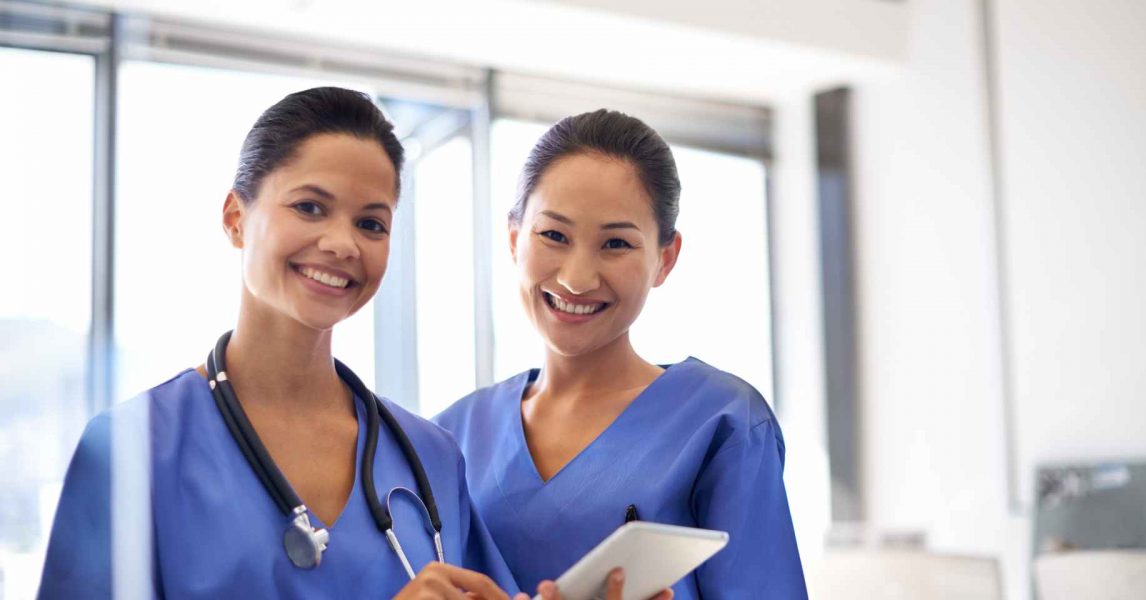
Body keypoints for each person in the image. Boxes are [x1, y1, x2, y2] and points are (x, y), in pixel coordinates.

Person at [38, 87, 517, 599]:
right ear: (234, 217)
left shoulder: (431, 455)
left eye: (371, 223)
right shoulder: (130, 449)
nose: (341, 243)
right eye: (310, 207)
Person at [434, 109, 809, 598]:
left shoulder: (721, 422)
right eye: (553, 235)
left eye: (615, 243)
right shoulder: (448, 438)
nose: (576, 277)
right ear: (513, 240)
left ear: (664, 259)